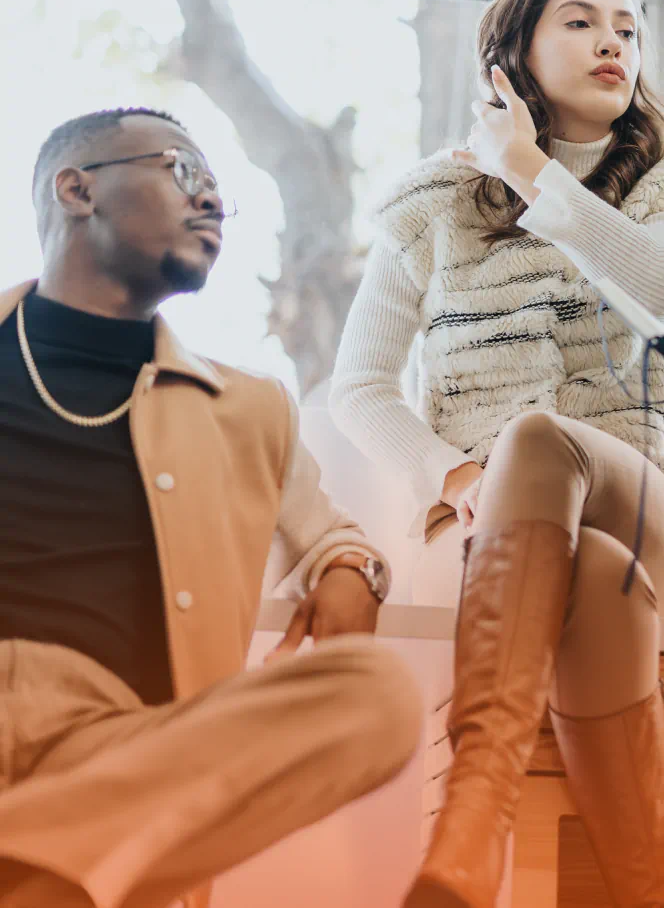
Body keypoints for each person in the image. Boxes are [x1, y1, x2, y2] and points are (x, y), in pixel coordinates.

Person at [332, 0, 664, 908]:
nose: (613, 44)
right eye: (582, 22)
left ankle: (474, 817)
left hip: (646, 507)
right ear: (512, 56)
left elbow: (661, 290)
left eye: (628, 28)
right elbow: (360, 387)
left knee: (541, 440)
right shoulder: (433, 205)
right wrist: (455, 479)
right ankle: (655, 891)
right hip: (476, 534)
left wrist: (534, 173)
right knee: (592, 573)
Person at [0, 108, 422, 908]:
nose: (211, 205)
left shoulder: (248, 408)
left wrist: (352, 567)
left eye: (222, 196)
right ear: (76, 188)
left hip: (124, 749)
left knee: (374, 695)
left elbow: (331, 534)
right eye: (183, 171)